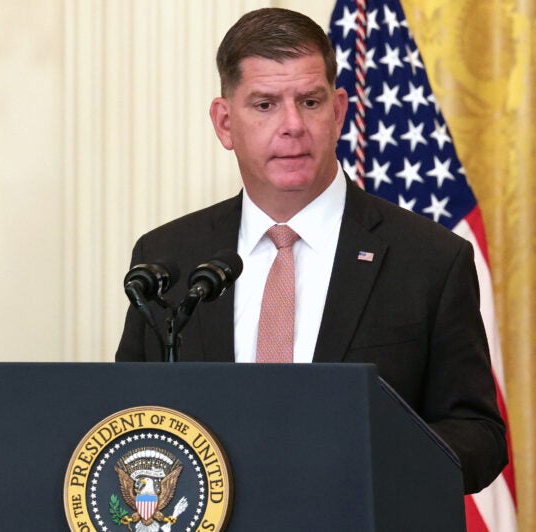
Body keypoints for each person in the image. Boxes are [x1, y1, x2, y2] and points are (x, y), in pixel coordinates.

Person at [115, 8, 507, 494]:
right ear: (225, 123)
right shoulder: (168, 257)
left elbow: (478, 434)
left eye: (310, 101)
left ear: (338, 112)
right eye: (265, 104)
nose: (293, 125)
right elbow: (126, 416)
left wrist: (367, 462)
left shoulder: (429, 259)